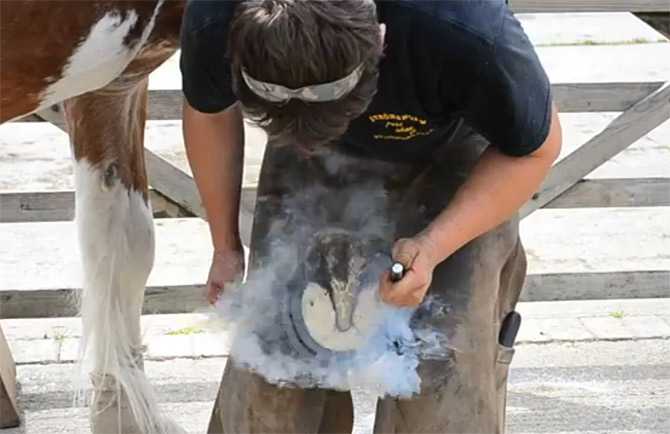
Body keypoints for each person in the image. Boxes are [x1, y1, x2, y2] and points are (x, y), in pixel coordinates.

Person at [179, 0, 562, 432]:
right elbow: (207, 113)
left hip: (454, 146)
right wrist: (225, 245)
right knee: (275, 374)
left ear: (380, 39)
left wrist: (433, 247)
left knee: (441, 376)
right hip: (305, 154)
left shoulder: (463, 26)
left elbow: (535, 149)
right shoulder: (218, 16)